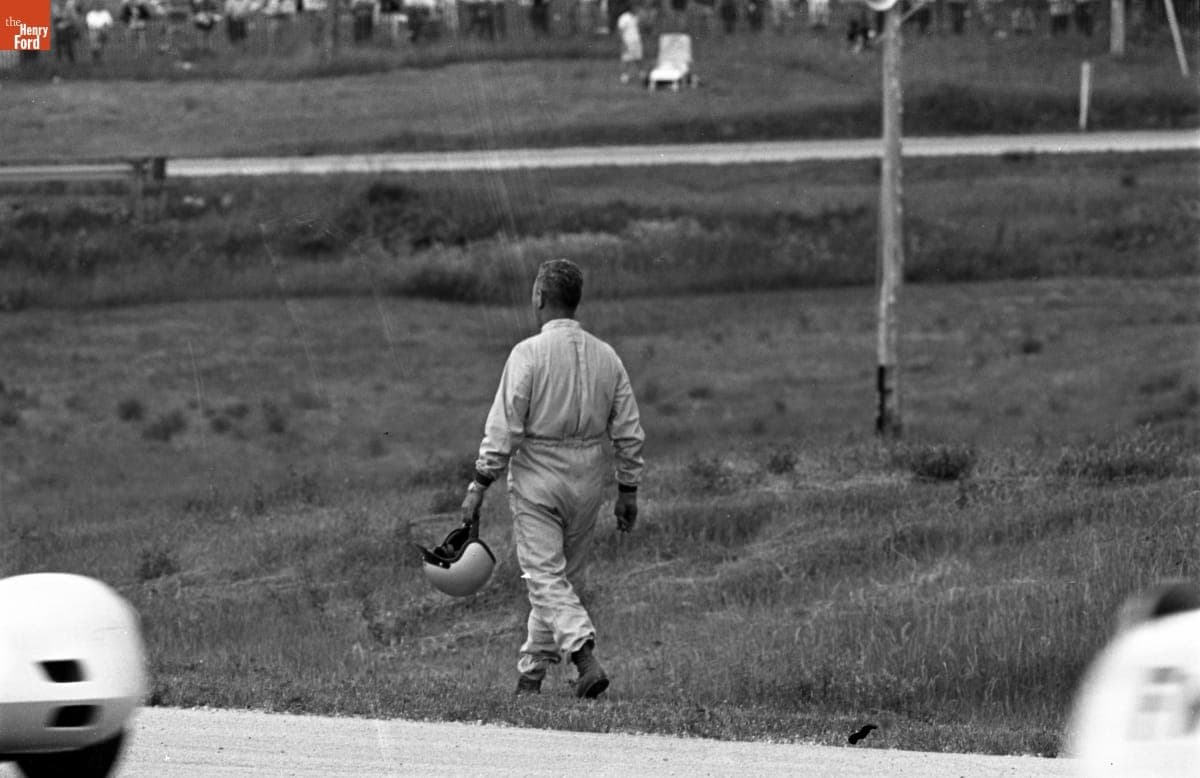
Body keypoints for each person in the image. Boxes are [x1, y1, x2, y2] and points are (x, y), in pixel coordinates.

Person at [461, 258, 645, 699]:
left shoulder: (527, 354)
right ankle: (530, 681)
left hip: (538, 475)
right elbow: (628, 429)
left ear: (539, 297)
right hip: (589, 479)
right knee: (559, 581)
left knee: (543, 576)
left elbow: (503, 427)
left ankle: (584, 656)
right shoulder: (607, 356)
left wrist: (478, 484)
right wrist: (628, 489)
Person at [616, 5, 642, 83]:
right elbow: (620, 30)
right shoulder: (624, 17)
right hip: (627, 41)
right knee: (626, 59)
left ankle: (641, 74)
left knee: (638, 58)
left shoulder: (635, 17)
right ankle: (624, 77)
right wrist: (623, 42)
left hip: (636, 41)